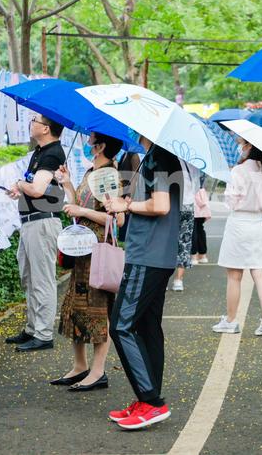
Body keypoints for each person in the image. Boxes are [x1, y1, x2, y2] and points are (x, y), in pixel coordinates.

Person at [103, 136, 182, 430]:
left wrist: (126, 206)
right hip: (155, 254)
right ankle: (148, 399)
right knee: (148, 328)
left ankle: (151, 401)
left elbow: (160, 205)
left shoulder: (160, 158)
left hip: (148, 255)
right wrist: (125, 204)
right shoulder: (158, 156)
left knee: (121, 326)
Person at [52, 132, 125, 391]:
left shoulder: (108, 176)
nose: (87, 143)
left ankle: (97, 371)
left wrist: (82, 211)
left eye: (91, 140)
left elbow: (117, 220)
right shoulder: (91, 172)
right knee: (76, 307)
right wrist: (67, 184)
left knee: (97, 310)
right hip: (82, 251)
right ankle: (80, 366)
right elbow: (76, 207)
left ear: (101, 146)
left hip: (98, 253)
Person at [4, 114, 66, 352]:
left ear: (46, 128)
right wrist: (20, 190)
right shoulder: (40, 152)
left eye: (35, 120)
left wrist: (20, 184)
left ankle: (43, 334)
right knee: (28, 278)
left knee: (42, 280)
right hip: (31, 223)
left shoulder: (53, 153)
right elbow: (36, 187)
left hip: (42, 223)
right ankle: (32, 329)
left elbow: (37, 190)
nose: (31, 123)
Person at [212, 138, 262, 336]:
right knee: (260, 273)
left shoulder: (238, 171)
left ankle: (231, 321)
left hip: (239, 224)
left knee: (234, 275)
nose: (240, 147)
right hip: (259, 224)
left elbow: (231, 201)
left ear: (249, 146)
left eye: (242, 143)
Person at [171, 161, 198, 291]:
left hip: (171, 204)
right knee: (184, 243)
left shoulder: (167, 158)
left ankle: (163, 279)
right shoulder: (193, 162)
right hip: (188, 204)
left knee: (166, 241)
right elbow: (196, 187)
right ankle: (178, 280)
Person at [191, 172, 209, 264]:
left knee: (192, 229)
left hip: (192, 198)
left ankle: (193, 256)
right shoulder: (203, 169)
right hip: (202, 197)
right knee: (200, 228)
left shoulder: (189, 169)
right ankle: (203, 255)